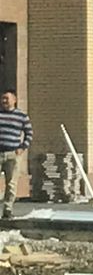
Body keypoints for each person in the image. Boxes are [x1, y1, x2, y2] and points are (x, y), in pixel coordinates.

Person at [0, 90, 33, 221]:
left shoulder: (22, 116)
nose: (4, 101)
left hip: (13, 154)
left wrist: (23, 147)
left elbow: (29, 133)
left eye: (6, 99)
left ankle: (7, 210)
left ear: (14, 100)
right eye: (2, 99)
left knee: (11, 184)